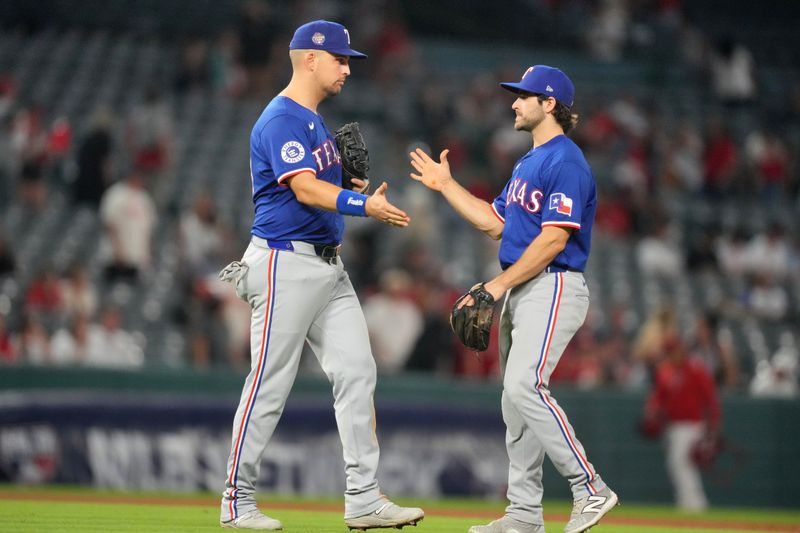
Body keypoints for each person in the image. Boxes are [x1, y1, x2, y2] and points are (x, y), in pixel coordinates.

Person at [218, 20, 422, 531]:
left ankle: (363, 498)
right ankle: (236, 500)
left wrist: (347, 183)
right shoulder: (281, 118)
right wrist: (361, 202)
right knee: (268, 383)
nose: (348, 67)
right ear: (310, 58)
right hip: (285, 263)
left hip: (328, 267)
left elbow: (320, 189)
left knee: (358, 372)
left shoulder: (313, 121)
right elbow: (306, 191)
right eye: (341, 58)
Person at [409, 65, 617, 533]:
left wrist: (497, 286)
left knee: (526, 386)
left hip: (553, 283)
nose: (513, 103)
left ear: (550, 105)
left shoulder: (565, 160)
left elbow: (554, 240)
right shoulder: (529, 163)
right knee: (514, 401)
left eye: (524, 96)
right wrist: (446, 186)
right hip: (524, 286)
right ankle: (524, 514)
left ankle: (590, 488)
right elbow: (494, 222)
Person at [642, 335, 721, 512]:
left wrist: (713, 428)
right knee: (678, 465)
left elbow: (710, 399)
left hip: (692, 425)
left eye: (673, 350)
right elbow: (658, 397)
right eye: (668, 352)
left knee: (681, 463)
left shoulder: (695, 369)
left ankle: (694, 505)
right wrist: (652, 411)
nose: (671, 355)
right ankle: (689, 502)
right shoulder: (665, 370)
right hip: (673, 427)